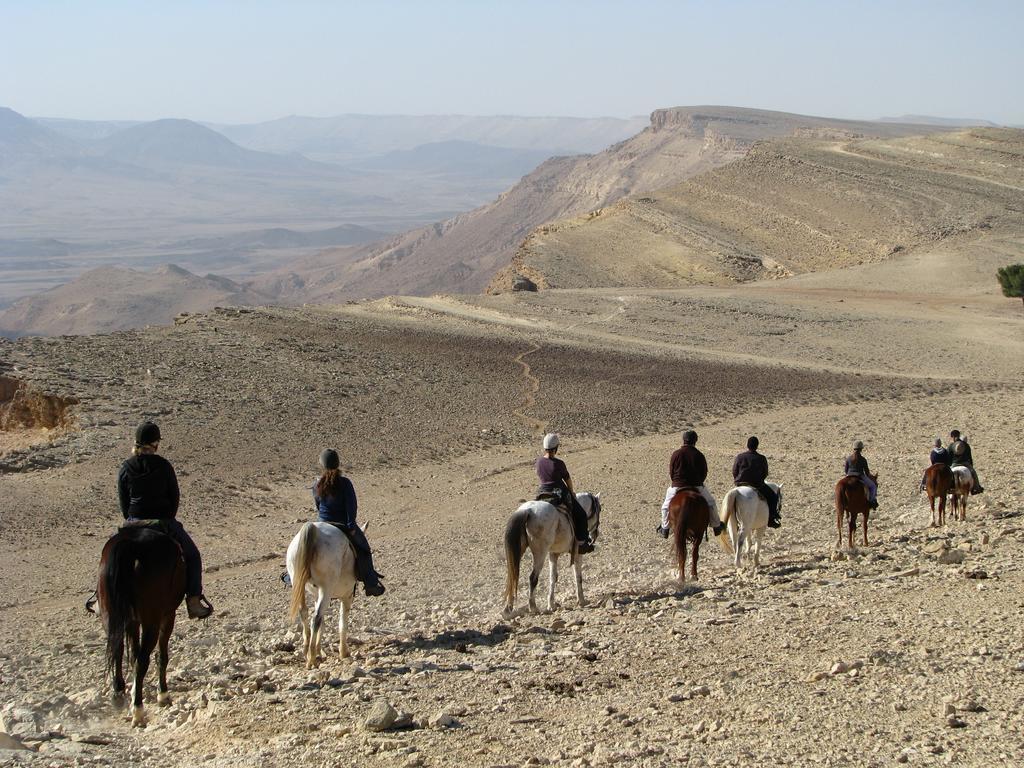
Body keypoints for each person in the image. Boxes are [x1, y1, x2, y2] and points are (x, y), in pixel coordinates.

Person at [103, 422, 213, 619]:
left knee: (109, 554)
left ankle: (99, 597)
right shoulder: (163, 465)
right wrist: (167, 517)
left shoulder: (126, 467)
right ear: (155, 444)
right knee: (194, 556)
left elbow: (123, 503)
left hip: (133, 521)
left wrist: (132, 518)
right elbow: (174, 498)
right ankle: (194, 601)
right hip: (162, 521)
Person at [313, 449, 385, 596]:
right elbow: (351, 506)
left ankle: (290, 575)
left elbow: (318, 507)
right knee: (364, 548)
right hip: (341, 525)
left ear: (322, 465)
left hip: (322, 523)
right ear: (337, 464)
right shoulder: (345, 483)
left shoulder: (317, 485)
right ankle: (371, 583)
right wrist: (351, 525)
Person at [656, 430, 724, 538]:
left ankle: (665, 528)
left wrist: (676, 481)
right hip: (696, 485)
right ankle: (716, 526)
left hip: (677, 486)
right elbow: (704, 472)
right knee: (711, 504)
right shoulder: (699, 455)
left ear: (683, 440)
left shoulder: (676, 454)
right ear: (695, 441)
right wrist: (699, 482)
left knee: (665, 507)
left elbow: (671, 471)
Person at [535, 433, 594, 554]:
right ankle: (582, 543)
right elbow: (567, 479)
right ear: (556, 448)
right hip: (558, 492)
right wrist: (571, 492)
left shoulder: (539, 461)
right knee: (581, 514)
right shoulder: (559, 463)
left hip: (542, 491)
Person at [732, 436, 780, 528]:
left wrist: (737, 481)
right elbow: (765, 473)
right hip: (756, 484)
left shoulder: (740, 457)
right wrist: (760, 480)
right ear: (757, 446)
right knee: (773, 497)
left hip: (740, 483)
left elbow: (734, 471)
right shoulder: (761, 458)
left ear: (747, 445)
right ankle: (771, 519)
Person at [844, 440, 877, 510]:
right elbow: (867, 472)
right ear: (861, 449)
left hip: (849, 475)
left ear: (854, 448)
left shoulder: (848, 458)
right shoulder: (863, 459)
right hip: (859, 475)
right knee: (873, 486)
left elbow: (845, 470)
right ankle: (871, 501)